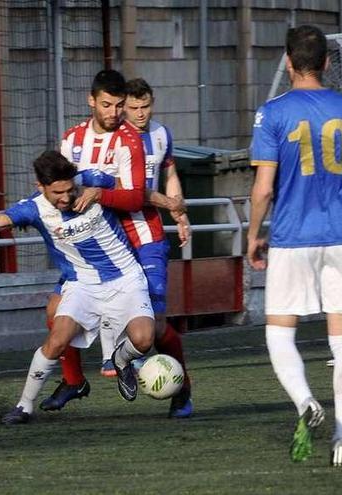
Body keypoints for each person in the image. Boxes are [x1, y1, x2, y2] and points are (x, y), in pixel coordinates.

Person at [246, 25, 342, 467]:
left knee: (279, 332)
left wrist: (252, 234)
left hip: (291, 237)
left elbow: (263, 188)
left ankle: (306, 401)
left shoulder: (273, 113)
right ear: (327, 62)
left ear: (288, 62)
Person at [0, 151, 157, 424]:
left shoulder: (92, 179)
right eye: (57, 193)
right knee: (57, 339)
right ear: (40, 187)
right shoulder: (33, 208)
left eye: (70, 190)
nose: (66, 198)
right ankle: (24, 406)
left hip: (127, 277)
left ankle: (121, 359)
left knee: (143, 340)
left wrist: (170, 204)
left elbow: (135, 194)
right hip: (82, 284)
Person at [38, 69, 149, 413]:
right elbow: (59, 185)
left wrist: (101, 193)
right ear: (92, 101)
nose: (115, 113)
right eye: (107, 105)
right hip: (85, 244)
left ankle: (177, 388)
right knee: (54, 312)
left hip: (131, 238)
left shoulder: (133, 140)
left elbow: (136, 197)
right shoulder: (71, 140)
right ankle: (74, 380)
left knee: (155, 328)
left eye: (119, 106)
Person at [117, 77, 195, 418]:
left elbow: (171, 175)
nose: (139, 113)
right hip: (112, 235)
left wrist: (180, 215)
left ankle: (183, 391)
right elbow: (129, 189)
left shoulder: (161, 135)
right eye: (132, 108)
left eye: (144, 106)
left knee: (158, 322)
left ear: (153, 103)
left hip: (148, 234)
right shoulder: (114, 138)